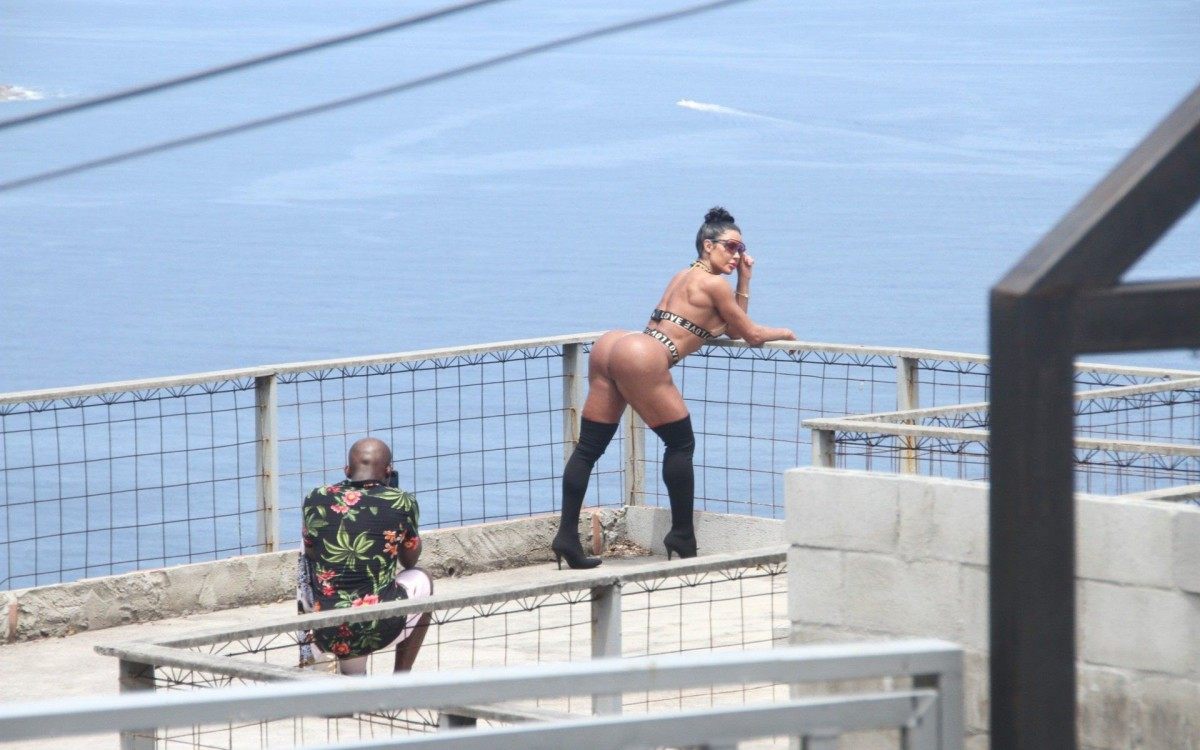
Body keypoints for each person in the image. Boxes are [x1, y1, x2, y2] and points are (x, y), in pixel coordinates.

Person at [552, 207, 796, 569]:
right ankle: (682, 535)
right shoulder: (714, 284)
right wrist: (786, 333)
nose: (738, 255)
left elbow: (729, 326)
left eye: (742, 249)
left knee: (588, 448)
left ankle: (567, 538)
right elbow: (751, 334)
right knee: (680, 443)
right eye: (731, 246)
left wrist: (742, 281)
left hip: (614, 345)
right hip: (646, 356)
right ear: (708, 245)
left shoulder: (684, 276)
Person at [297, 437, 434, 675]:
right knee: (424, 578)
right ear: (388, 471)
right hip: (378, 627)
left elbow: (311, 553)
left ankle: (315, 655)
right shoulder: (401, 502)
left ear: (347, 470)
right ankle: (401, 679)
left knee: (305, 549)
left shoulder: (315, 498)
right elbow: (409, 562)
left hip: (326, 628)